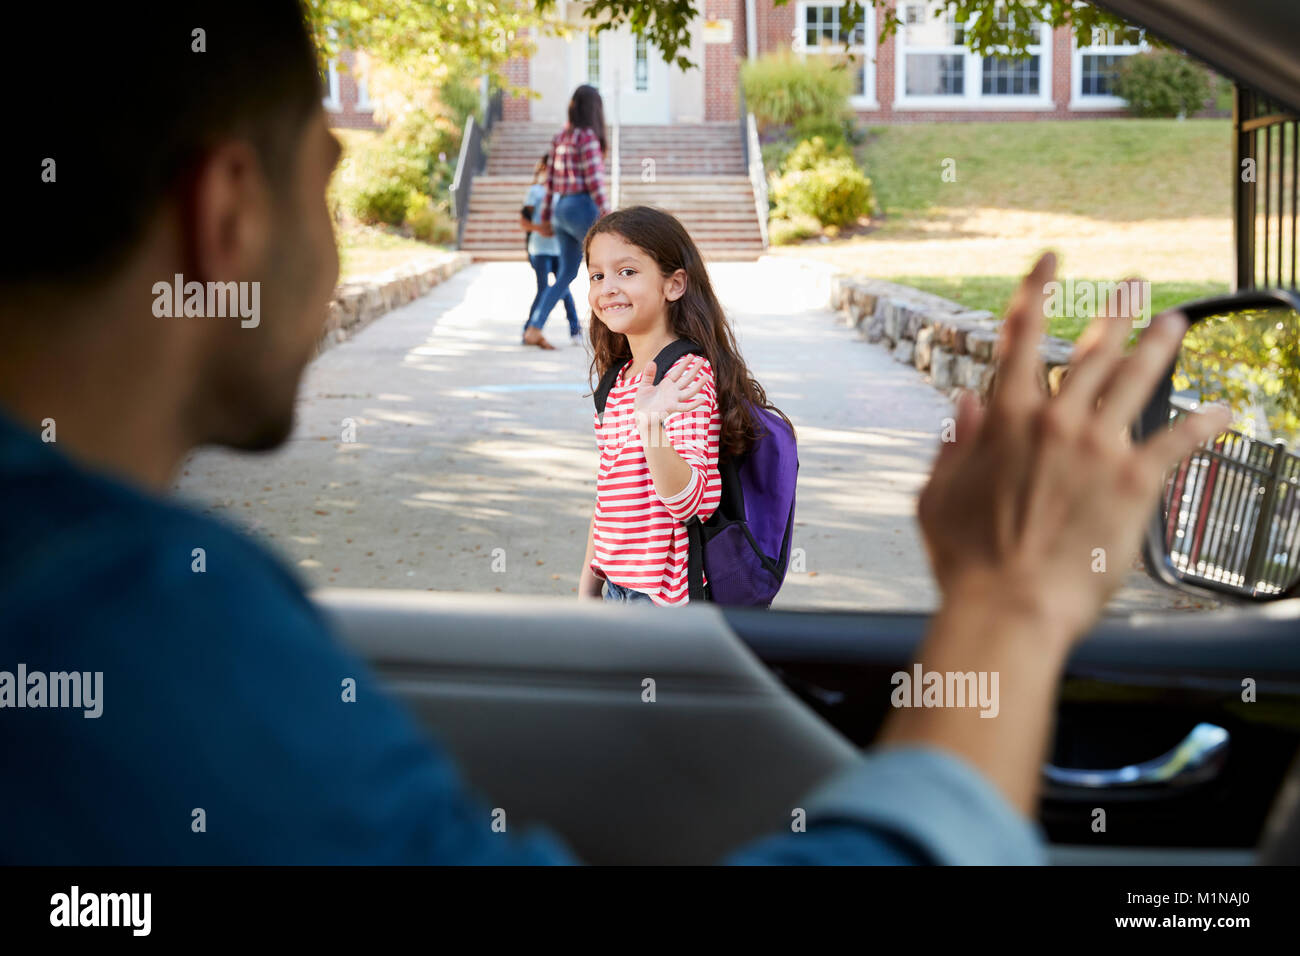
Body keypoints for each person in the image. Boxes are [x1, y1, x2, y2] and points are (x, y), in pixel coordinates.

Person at [0, 0, 1231, 864]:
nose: (600, 288)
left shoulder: (96, 592)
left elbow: (686, 495)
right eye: (325, 178)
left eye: (620, 273)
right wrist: (1009, 605)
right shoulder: (140, 620)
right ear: (229, 216)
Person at [576, 206, 791, 606]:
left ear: (673, 285)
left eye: (627, 272)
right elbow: (609, 494)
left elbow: (692, 502)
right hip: (616, 589)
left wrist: (651, 426)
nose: (607, 287)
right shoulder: (617, 380)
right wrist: (589, 585)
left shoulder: (686, 376)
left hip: (663, 602)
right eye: (597, 275)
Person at [522, 85, 610, 350]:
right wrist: (607, 215)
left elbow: (549, 182)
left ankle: (534, 327)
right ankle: (614, 334)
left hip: (561, 209)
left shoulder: (561, 137)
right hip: (582, 206)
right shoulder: (588, 138)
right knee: (608, 268)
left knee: (567, 273)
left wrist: (547, 216)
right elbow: (595, 181)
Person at [520, 154, 581, 347]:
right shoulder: (535, 192)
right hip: (540, 249)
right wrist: (540, 229)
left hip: (560, 249)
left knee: (564, 288)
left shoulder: (564, 193)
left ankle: (575, 330)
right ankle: (529, 329)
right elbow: (523, 221)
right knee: (543, 289)